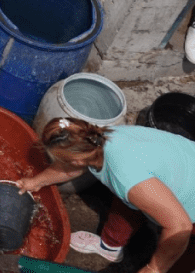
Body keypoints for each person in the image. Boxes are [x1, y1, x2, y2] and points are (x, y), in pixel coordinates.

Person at [16, 117, 195, 273]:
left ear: (76, 160)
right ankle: (110, 246)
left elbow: (180, 226)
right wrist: (35, 182)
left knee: (181, 257)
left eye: (59, 159)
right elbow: (69, 168)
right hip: (178, 166)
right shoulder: (98, 139)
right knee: (127, 198)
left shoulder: (126, 175)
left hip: (187, 213)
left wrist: (154, 269)